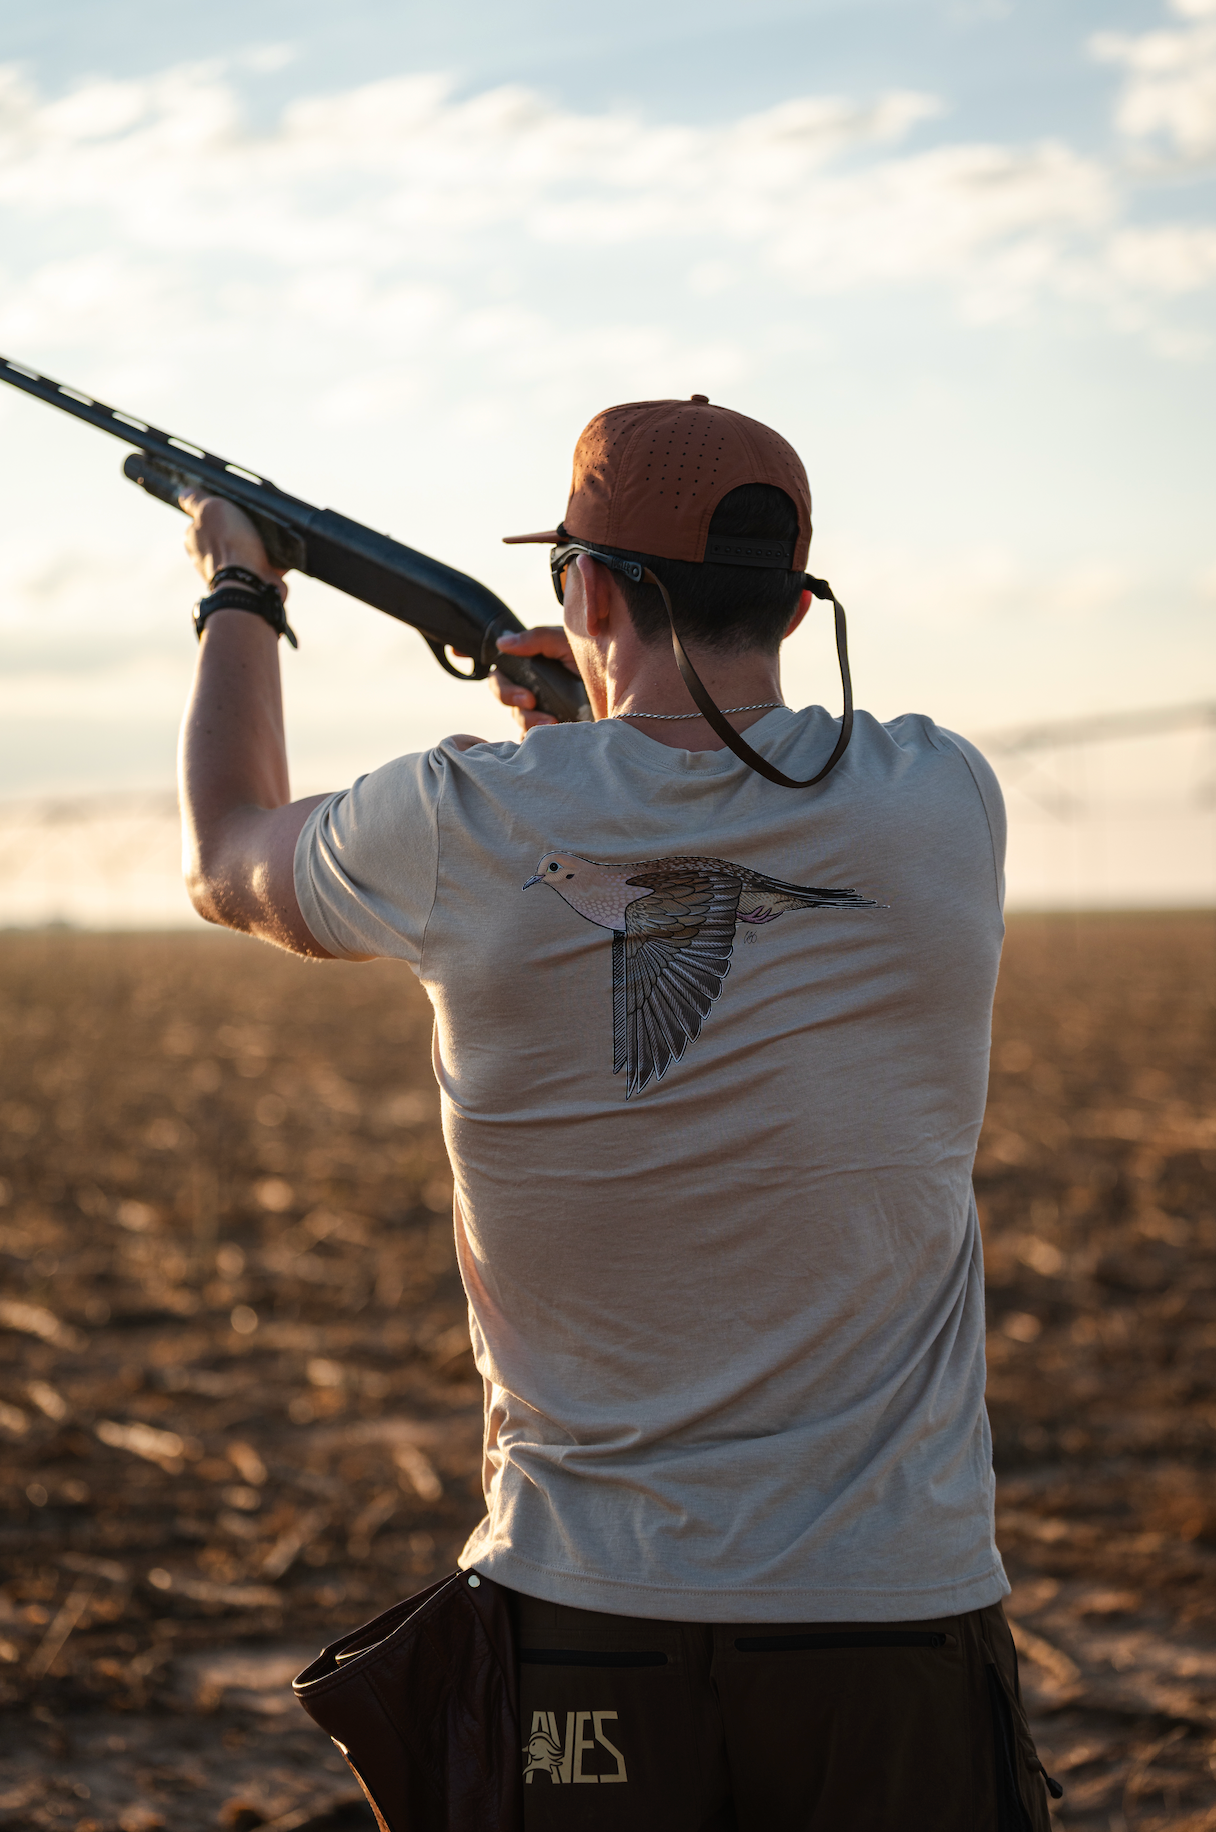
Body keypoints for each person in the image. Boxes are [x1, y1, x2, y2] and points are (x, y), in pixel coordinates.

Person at [177, 396, 1053, 1830]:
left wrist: (238, 584)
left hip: (584, 1616)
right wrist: (583, 737)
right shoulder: (945, 798)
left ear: (584, 587)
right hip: (894, 1620)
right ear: (791, 597)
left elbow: (225, 852)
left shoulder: (466, 824)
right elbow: (704, 803)